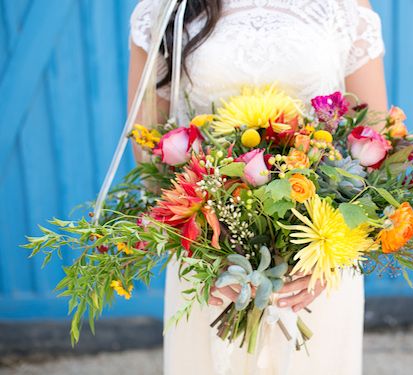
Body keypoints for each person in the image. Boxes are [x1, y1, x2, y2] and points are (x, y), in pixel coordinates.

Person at [128, 0, 388, 373]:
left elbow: (375, 141)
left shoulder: (345, 5)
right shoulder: (164, 8)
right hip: (206, 261)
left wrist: (329, 254)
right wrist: (209, 253)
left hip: (317, 264)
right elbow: (149, 150)